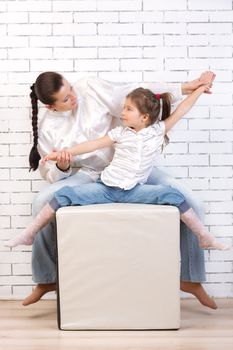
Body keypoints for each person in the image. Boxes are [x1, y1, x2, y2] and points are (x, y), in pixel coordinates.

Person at [15, 70, 218, 308]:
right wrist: (63, 165)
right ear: (50, 107)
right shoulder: (47, 129)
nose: (74, 97)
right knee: (41, 202)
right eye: (66, 99)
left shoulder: (90, 87)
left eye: (71, 89)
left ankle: (190, 279)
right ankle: (47, 280)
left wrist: (188, 87)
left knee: (193, 202)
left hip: (134, 170)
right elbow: (51, 175)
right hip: (90, 176)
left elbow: (137, 92)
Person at [6, 85, 229, 253]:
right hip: (106, 188)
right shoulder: (119, 133)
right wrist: (60, 154)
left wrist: (199, 89)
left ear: (144, 117)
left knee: (173, 195)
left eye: (128, 109)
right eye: (123, 108)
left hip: (134, 191)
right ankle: (29, 233)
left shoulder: (158, 130)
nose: (122, 113)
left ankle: (203, 236)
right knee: (63, 195)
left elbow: (182, 110)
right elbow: (92, 144)